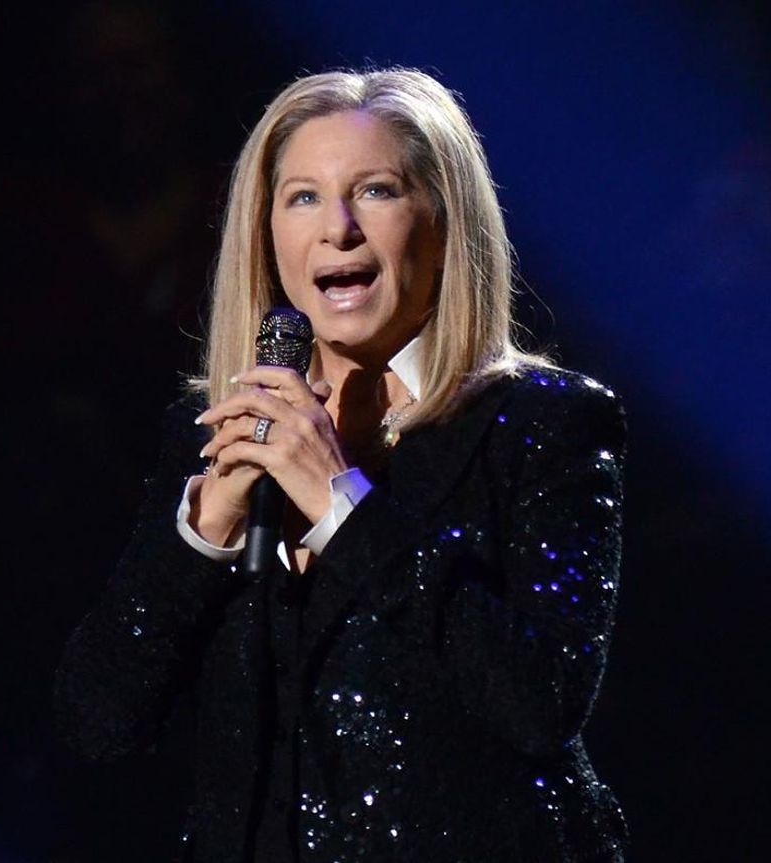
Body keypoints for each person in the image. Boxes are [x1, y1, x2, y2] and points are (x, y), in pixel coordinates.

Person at [55, 67, 628, 862]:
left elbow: (539, 700)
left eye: (376, 191)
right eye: (303, 197)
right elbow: (97, 720)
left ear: (443, 224)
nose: (339, 230)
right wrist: (202, 535)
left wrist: (343, 505)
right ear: (267, 235)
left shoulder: (541, 424)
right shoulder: (211, 433)